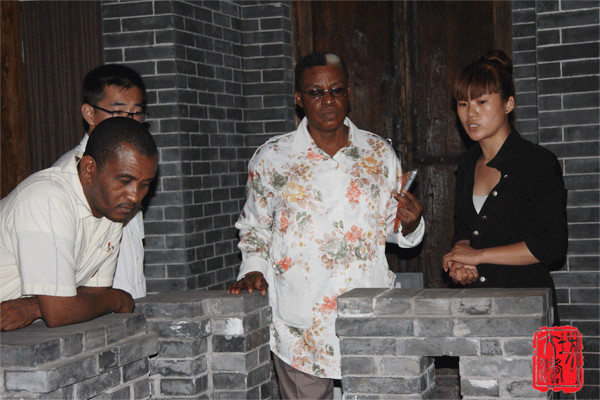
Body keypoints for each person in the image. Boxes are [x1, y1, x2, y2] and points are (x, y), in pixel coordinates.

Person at [227, 52, 425, 399]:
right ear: (299, 98)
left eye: (336, 90)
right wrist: (253, 269)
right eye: (316, 92)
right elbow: (255, 228)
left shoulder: (378, 153)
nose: (328, 100)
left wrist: (410, 224)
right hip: (300, 322)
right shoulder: (272, 158)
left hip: (366, 311)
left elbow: (390, 227)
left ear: (348, 93)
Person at [442, 50, 567, 325]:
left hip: (526, 309)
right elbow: (464, 231)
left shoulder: (537, 163)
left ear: (508, 104)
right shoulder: (467, 164)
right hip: (475, 310)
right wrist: (462, 261)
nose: (470, 114)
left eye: (481, 102)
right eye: (462, 104)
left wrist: (479, 256)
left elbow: (552, 245)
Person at [0, 117, 158, 331]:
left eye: (145, 184)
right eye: (124, 181)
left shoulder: (111, 208)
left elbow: (94, 293)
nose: (134, 196)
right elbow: (60, 313)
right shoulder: (48, 200)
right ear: (89, 168)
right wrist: (116, 299)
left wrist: (35, 307)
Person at [54, 64, 148, 299]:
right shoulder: (71, 176)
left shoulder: (134, 167)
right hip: (93, 308)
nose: (129, 121)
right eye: (118, 112)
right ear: (89, 113)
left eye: (136, 112)